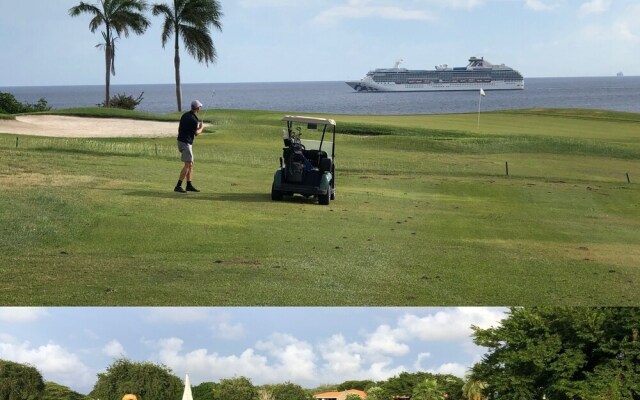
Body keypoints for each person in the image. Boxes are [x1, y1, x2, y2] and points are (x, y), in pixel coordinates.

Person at [174, 100, 205, 193]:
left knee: (190, 164)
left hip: (182, 141)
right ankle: (178, 186)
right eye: (200, 107)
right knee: (188, 164)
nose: (200, 108)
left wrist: (198, 127)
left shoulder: (185, 115)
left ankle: (189, 185)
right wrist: (202, 127)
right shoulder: (193, 119)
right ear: (198, 108)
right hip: (185, 143)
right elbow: (196, 133)